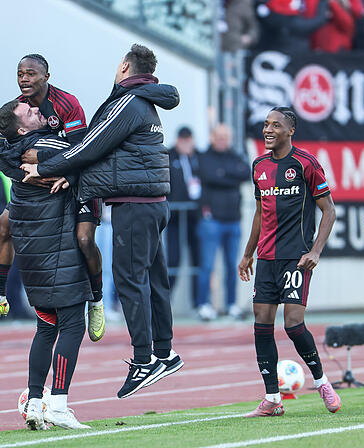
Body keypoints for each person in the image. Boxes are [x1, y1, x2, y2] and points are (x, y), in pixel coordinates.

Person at [20, 44, 184, 399]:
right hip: (152, 203)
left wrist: (46, 167)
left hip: (134, 206)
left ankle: (144, 360)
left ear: (125, 66)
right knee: (154, 280)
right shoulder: (147, 102)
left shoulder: (128, 102)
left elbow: (91, 145)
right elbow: (108, 155)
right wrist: (76, 177)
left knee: (129, 281)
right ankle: (165, 352)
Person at [0, 54, 107, 343]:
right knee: (1, 226)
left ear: (46, 76)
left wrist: (64, 173)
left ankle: (97, 301)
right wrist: (31, 174)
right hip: (43, 189)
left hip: (79, 182)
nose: (24, 79)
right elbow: (2, 159)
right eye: (19, 74)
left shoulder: (67, 104)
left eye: (30, 73)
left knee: (84, 240)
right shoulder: (19, 109)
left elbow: (84, 151)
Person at [0, 100, 93, 430]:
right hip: (58, 249)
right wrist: (71, 167)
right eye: (29, 112)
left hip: (31, 257)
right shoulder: (44, 144)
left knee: (46, 327)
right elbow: (86, 150)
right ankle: (59, 404)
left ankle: (35, 402)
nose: (37, 110)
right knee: (73, 325)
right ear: (22, 128)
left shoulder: (8, 149)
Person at [238, 107, 341, 417]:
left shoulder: (306, 164)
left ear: (290, 131)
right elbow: (259, 212)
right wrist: (247, 254)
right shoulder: (259, 166)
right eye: (266, 124)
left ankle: (322, 382)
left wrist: (315, 251)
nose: (268, 130)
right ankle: (272, 398)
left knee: (294, 324)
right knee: (261, 324)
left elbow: (330, 210)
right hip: (267, 259)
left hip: (296, 258)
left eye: (276, 125)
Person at [195, 124, 250, 321]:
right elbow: (210, 175)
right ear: (212, 137)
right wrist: (230, 176)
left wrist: (224, 174)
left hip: (233, 220)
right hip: (212, 220)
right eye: (219, 136)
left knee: (232, 265)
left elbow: (245, 173)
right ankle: (203, 304)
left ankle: (231, 304)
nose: (223, 140)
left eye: (226, 136)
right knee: (207, 265)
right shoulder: (204, 156)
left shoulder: (234, 156)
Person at [166, 126, 200, 311]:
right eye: (183, 140)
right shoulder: (169, 157)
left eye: (189, 140)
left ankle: (198, 303)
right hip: (175, 218)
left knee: (198, 259)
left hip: (194, 218)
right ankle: (166, 299)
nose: (186, 143)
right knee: (173, 259)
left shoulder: (197, 157)